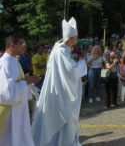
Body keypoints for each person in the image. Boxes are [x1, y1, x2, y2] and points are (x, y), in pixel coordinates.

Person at [32, 17, 87, 146]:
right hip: (60, 94)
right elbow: (71, 71)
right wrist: (82, 62)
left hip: (57, 90)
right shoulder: (61, 52)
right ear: (71, 38)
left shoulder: (58, 49)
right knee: (61, 120)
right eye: (76, 37)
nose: (77, 40)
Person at [0, 36, 41, 146]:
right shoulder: (5, 63)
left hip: (17, 109)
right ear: (12, 45)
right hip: (9, 112)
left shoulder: (13, 60)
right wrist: (25, 83)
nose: (25, 46)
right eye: (22, 44)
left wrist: (29, 81)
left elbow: (17, 82)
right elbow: (5, 92)